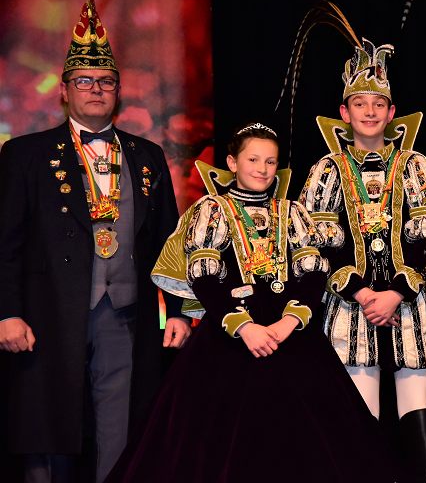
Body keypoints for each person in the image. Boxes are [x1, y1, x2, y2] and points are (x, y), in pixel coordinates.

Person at [106, 123, 394, 482]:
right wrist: (244, 328)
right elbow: (203, 276)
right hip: (231, 334)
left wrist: (288, 323)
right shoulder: (211, 209)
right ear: (232, 162)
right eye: (253, 159)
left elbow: (312, 273)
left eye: (270, 162)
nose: (262, 168)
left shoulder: (292, 212)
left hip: (290, 334)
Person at [0, 0, 191, 482]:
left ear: (118, 92)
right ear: (64, 91)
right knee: (48, 425)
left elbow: (170, 242)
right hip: (47, 312)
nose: (96, 90)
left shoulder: (148, 155)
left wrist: (179, 311)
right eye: (84, 81)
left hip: (124, 311)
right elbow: (6, 242)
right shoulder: (25, 154)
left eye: (106, 81)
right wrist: (7, 312)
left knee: (120, 425)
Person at [300, 38, 426, 483]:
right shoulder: (326, 170)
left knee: (418, 419)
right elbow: (315, 243)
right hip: (352, 309)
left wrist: (396, 293)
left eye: (378, 104)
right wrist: (363, 293)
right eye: (359, 104)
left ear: (391, 113)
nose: (369, 112)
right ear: (344, 112)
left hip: (410, 306)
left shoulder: (416, 166)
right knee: (360, 424)